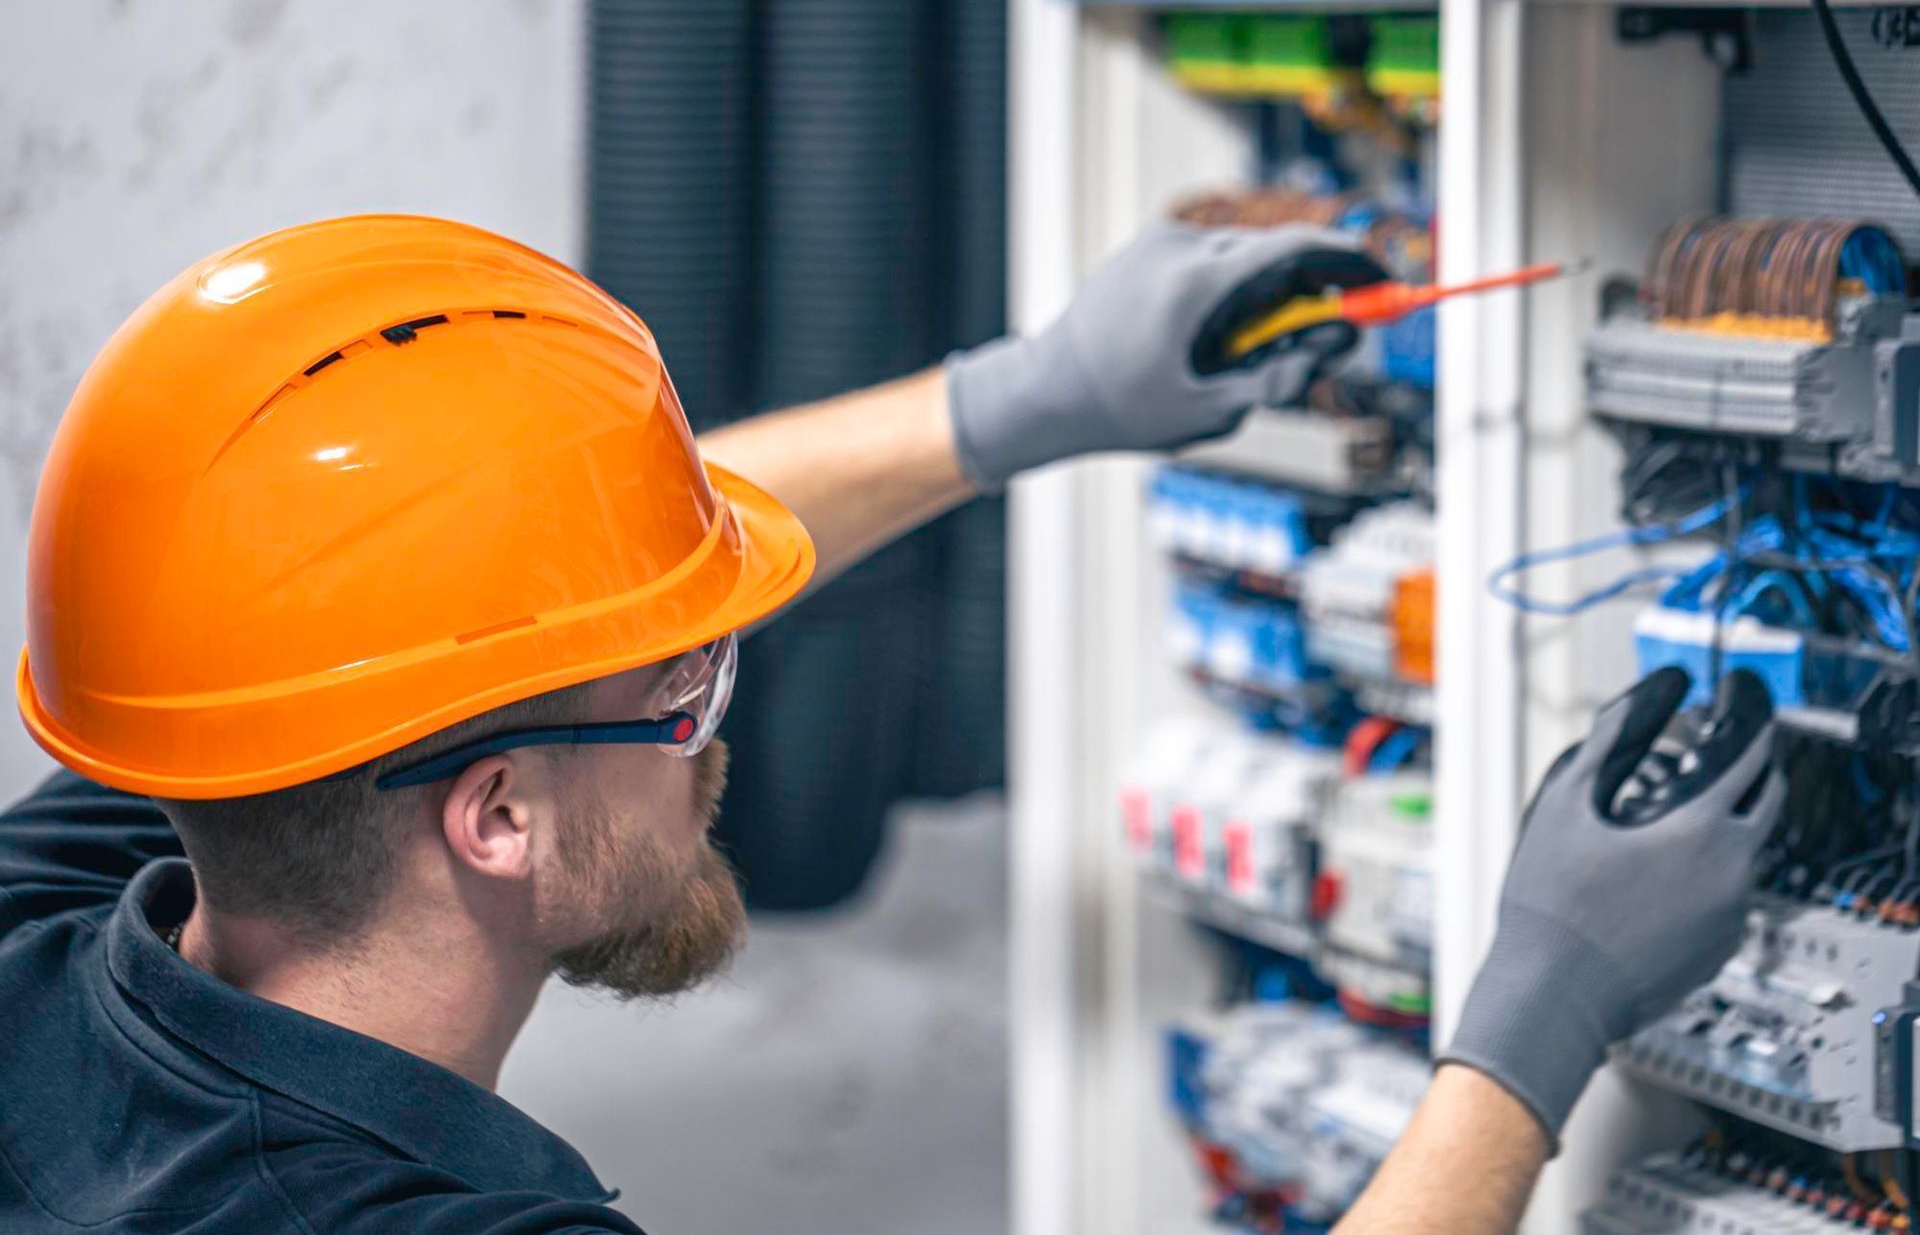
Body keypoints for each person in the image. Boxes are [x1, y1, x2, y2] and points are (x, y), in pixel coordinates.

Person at [0, 217, 1782, 1235]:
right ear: (497, 820)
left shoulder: (81, 920)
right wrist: (1534, 1027)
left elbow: (507, 599)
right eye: (684, 691)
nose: (717, 734)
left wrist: (1023, 402)